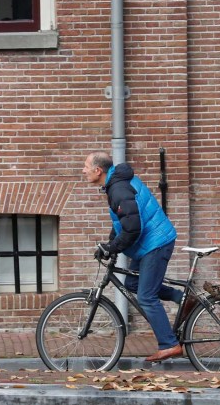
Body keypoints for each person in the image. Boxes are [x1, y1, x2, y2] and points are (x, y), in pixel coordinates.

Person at [82, 151, 192, 362]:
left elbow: (133, 228)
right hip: (149, 243)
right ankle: (183, 299)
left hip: (156, 243)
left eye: (86, 166)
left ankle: (170, 344)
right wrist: (110, 245)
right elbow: (123, 221)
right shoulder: (115, 184)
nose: (83, 170)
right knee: (132, 282)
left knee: (146, 296)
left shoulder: (119, 189)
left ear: (98, 170)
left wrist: (113, 247)